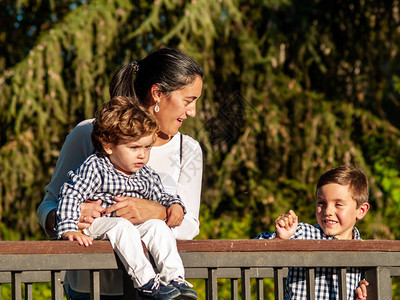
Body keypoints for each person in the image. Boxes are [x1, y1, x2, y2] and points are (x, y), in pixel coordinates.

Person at [37, 48, 204, 299]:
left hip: (161, 293)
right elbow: (47, 206)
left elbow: (190, 224)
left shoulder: (187, 150)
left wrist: (157, 212)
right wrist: (67, 216)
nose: (192, 111)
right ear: (158, 93)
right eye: (188, 100)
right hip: (91, 288)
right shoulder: (89, 133)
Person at [57, 96, 197, 299]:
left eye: (147, 147)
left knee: (158, 227)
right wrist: (68, 228)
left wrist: (174, 204)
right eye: (134, 148)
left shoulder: (145, 173)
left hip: (129, 228)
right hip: (99, 223)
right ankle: (146, 282)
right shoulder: (96, 166)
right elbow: (71, 192)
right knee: (120, 226)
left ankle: (174, 278)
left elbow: (161, 194)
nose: (142, 155)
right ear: (108, 146)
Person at [255, 165, 370, 300]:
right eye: (321, 203)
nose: (328, 211)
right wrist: (280, 238)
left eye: (338, 204)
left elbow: (367, 285)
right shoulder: (303, 234)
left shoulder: (365, 251)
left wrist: (363, 291)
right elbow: (253, 247)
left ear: (361, 210)